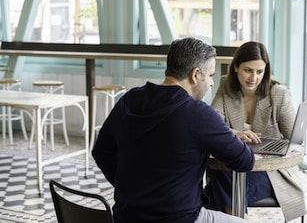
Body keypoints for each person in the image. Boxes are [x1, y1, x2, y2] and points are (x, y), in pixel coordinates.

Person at [92, 37, 254, 223]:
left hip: (127, 217)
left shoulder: (129, 100)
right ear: (195, 75)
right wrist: (226, 133)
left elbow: (101, 152)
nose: (211, 83)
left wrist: (131, 191)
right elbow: (245, 161)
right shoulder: (198, 113)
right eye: (210, 75)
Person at [204, 41, 306, 222]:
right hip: (235, 165)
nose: (254, 77)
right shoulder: (225, 85)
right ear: (236, 67)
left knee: (214, 189)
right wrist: (234, 132)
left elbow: (295, 140)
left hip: (270, 172)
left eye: (260, 72)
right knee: (224, 178)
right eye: (248, 70)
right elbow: (214, 121)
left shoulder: (279, 94)